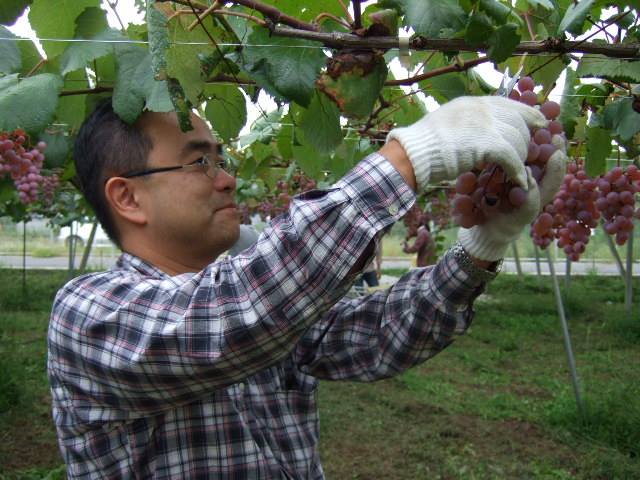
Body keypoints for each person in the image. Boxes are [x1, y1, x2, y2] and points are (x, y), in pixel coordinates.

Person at [48, 96, 566, 479]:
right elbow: (236, 315)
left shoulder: (271, 303)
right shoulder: (87, 315)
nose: (226, 178)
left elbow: (377, 334)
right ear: (128, 198)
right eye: (199, 161)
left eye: (220, 159)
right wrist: (413, 157)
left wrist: (482, 248)